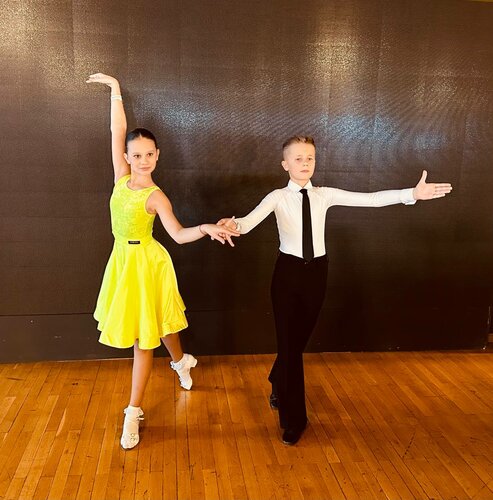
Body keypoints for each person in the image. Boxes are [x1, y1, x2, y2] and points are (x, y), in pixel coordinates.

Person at [218, 135, 452, 445]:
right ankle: (294, 420)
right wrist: (231, 225)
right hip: (287, 275)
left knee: (294, 344)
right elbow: (247, 223)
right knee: (290, 347)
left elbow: (371, 199)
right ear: (285, 164)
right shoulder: (277, 197)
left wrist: (411, 194)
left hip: (317, 274)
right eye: (298, 158)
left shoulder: (324, 195)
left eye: (310, 158)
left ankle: (277, 377)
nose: (305, 163)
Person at [87, 73, 239, 450]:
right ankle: (181, 361)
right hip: (123, 261)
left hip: (148, 264)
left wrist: (206, 227)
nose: (143, 160)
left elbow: (178, 234)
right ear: (127, 157)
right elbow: (116, 130)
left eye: (149, 155)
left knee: (144, 338)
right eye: (136, 155)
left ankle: (133, 412)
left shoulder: (156, 196)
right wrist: (115, 89)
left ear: (157, 156)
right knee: (160, 325)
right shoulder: (120, 177)